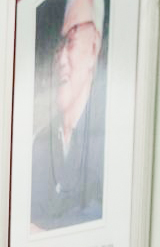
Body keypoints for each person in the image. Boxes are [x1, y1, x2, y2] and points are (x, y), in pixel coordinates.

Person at [31, 0, 106, 231]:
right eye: (59, 45)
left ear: (94, 45)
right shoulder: (40, 144)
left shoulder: (108, 131)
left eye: (71, 40)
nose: (61, 59)